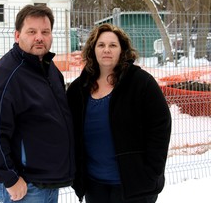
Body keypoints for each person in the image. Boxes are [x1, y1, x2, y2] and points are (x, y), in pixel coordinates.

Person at [0, 4, 75, 203]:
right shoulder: (6, 74)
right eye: (31, 31)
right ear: (17, 35)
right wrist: (10, 179)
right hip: (25, 187)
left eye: (45, 31)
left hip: (46, 181)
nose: (39, 37)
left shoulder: (48, 68)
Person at [66, 23, 172, 203]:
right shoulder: (78, 89)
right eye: (101, 45)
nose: (106, 50)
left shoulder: (141, 83)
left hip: (133, 186)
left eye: (112, 45)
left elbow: (160, 126)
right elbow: (68, 130)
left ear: (122, 50)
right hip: (94, 185)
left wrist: (152, 171)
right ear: (93, 50)